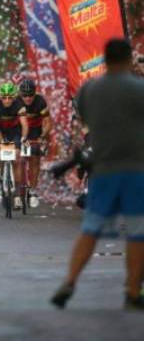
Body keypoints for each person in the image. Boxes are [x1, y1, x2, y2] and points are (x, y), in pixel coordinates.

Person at [51, 39, 144, 310]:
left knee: (90, 229)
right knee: (138, 232)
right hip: (135, 171)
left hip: (102, 170)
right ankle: (132, 292)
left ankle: (69, 281)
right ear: (129, 60)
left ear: (105, 59)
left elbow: (86, 122)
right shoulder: (139, 90)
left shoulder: (88, 90)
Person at [0, 82, 29, 209]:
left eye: (10, 97)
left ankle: (16, 196)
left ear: (14, 97)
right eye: (4, 97)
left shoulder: (20, 106)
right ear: (0, 97)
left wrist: (24, 138)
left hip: (14, 131)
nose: (7, 100)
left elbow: (25, 125)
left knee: (18, 160)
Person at [18, 78, 51, 205]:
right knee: (19, 159)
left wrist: (42, 136)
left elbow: (48, 122)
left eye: (31, 95)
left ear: (35, 93)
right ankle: (18, 186)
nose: (28, 98)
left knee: (34, 158)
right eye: (25, 95)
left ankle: (33, 189)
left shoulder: (40, 101)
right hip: (19, 131)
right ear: (21, 94)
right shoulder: (16, 102)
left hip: (35, 132)